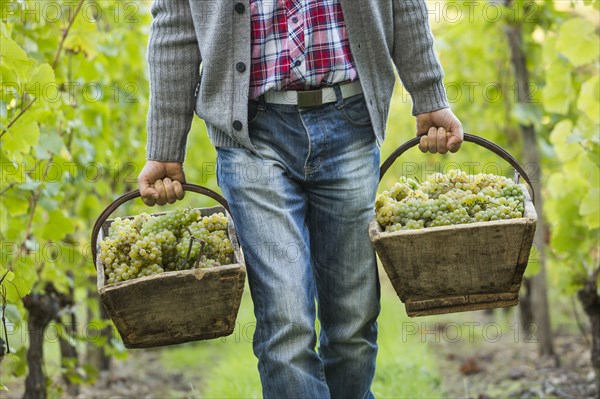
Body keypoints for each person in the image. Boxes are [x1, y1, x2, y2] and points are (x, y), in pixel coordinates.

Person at [137, 1, 463, 397]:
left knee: (353, 322)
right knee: (286, 320)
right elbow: (176, 25)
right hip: (250, 137)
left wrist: (429, 94)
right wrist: (165, 147)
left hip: (351, 124)